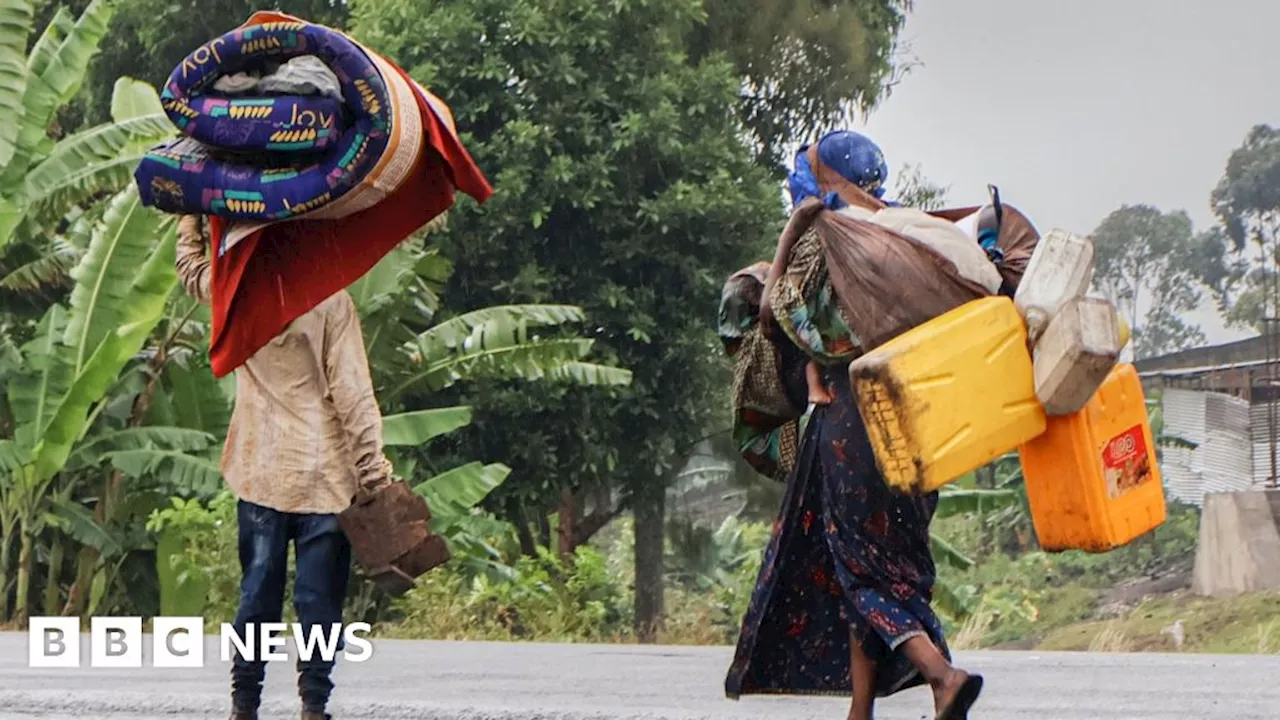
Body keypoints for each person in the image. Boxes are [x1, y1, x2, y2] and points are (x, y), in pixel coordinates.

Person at [722, 131, 988, 720]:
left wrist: (771, 279)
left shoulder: (837, 241)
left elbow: (788, 318)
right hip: (924, 423)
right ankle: (860, 707)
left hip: (855, 420)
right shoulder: (907, 236)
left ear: (830, 179)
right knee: (888, 560)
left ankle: (942, 676)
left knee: (863, 566)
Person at [175, 215, 394, 720]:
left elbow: (191, 271)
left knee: (257, 593)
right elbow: (354, 395)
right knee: (318, 601)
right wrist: (375, 474)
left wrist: (189, 219)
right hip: (327, 477)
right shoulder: (330, 300)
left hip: (261, 469)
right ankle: (314, 703)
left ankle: (243, 703)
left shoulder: (237, 292)